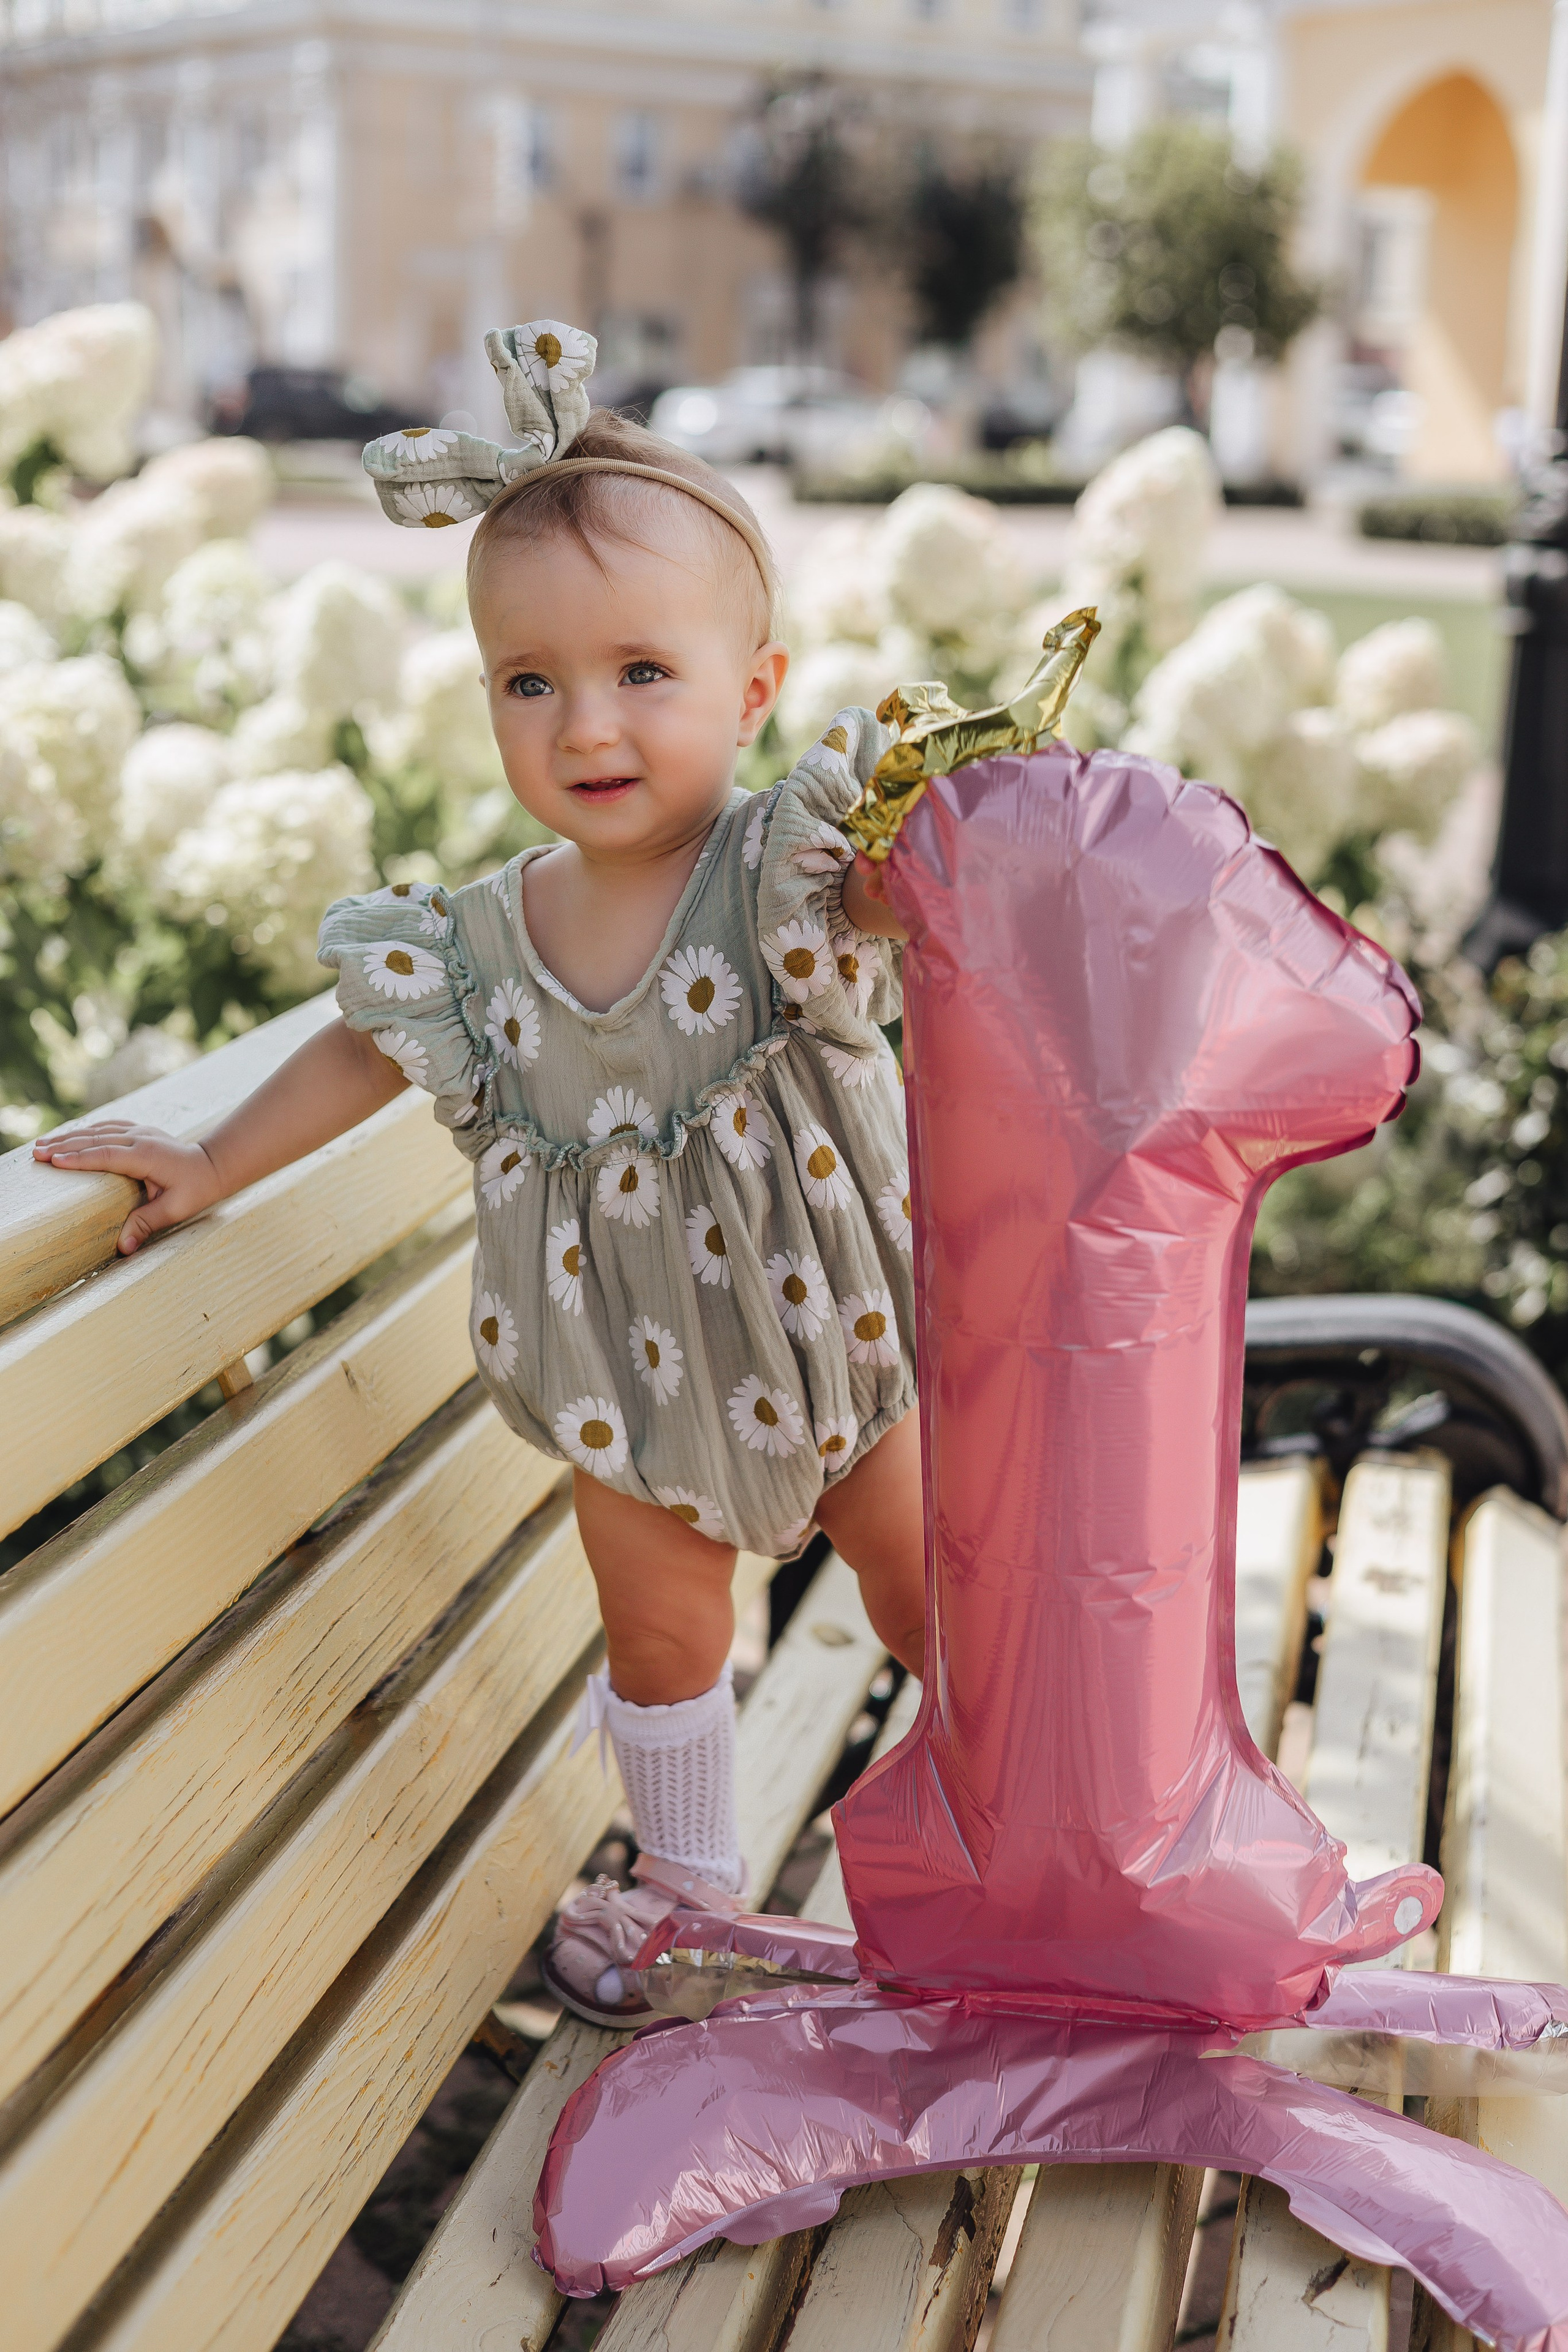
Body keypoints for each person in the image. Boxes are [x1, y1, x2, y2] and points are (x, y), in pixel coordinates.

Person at [34, 322, 924, 2027]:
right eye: (532, 681)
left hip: (849, 1348)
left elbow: (891, 910)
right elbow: (368, 1051)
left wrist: (930, 858)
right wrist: (214, 1157)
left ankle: (1015, 1841)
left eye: (641, 675)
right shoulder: (484, 942)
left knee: (925, 1588)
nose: (585, 723)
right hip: (630, 1381)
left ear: (751, 690)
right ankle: (689, 1901)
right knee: (667, 1640)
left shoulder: (778, 873)